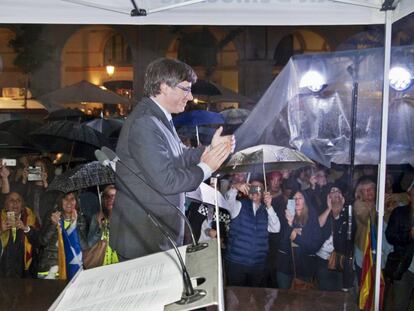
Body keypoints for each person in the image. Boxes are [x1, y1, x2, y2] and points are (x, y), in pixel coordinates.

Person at [110, 58, 234, 260]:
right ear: (164, 87)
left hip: (153, 235)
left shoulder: (159, 117)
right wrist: (206, 167)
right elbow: (166, 182)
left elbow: (181, 155)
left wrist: (211, 149)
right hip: (143, 240)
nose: (191, 96)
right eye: (185, 89)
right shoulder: (145, 123)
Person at [224, 180, 280, 287]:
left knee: (253, 299)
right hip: (237, 263)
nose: (255, 191)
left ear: (263, 193)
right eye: (252, 187)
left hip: (257, 265)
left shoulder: (266, 210)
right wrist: (236, 186)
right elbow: (228, 200)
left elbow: (276, 228)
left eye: (258, 189)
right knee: (235, 298)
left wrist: (269, 206)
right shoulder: (239, 205)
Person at [37, 191, 89, 279]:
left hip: (71, 268)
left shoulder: (81, 220)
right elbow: (42, 241)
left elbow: (85, 248)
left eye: (72, 199)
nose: (69, 202)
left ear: (76, 202)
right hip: (50, 268)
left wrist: (74, 225)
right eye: (65, 199)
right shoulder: (52, 215)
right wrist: (53, 225)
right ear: (60, 201)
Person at [385, 184, 414, 311]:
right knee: (400, 305)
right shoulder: (399, 213)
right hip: (404, 266)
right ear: (409, 196)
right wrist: (409, 235)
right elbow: (390, 236)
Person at [0, 191, 39, 278]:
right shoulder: (1, 219)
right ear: (6, 205)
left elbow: (40, 242)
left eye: (18, 200)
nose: (15, 203)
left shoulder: (31, 218)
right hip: (3, 273)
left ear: (22, 206)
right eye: (11, 200)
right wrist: (1, 230)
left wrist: (26, 229)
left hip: (25, 273)